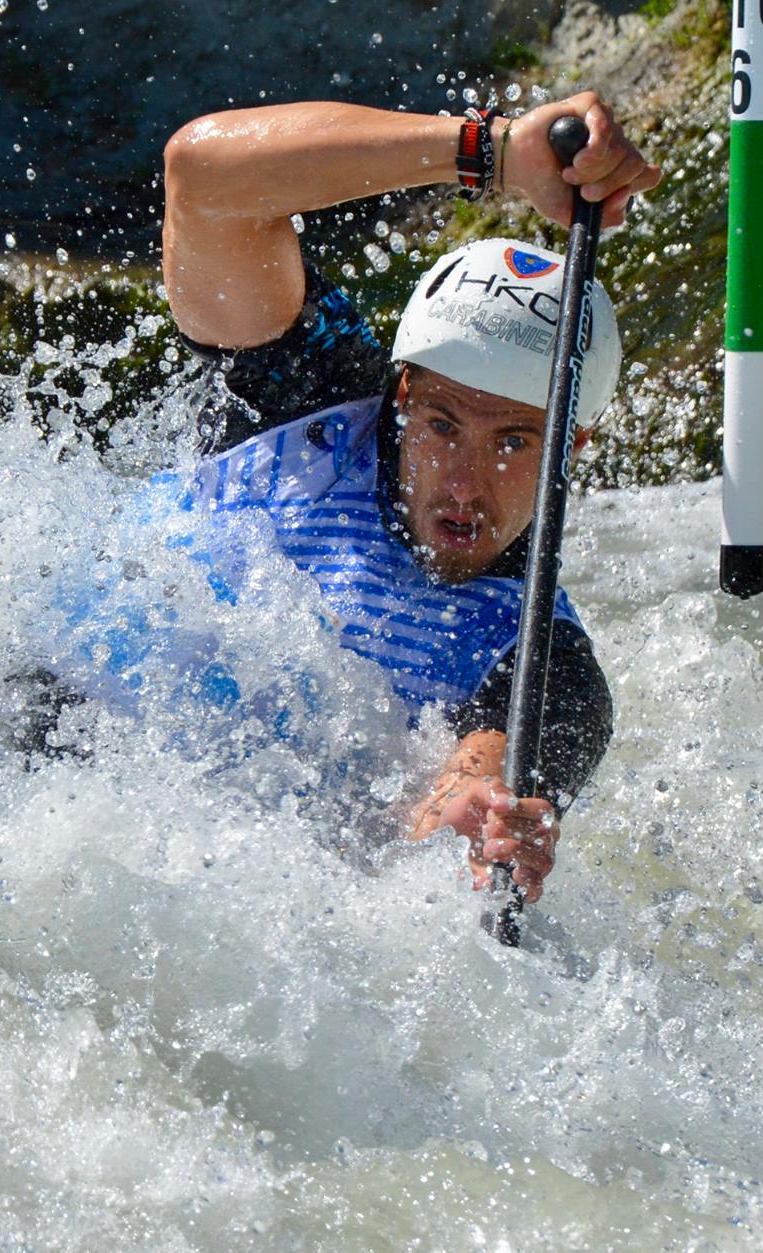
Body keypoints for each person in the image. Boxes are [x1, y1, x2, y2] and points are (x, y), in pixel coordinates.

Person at [158, 91, 663, 905]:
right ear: (401, 394)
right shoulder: (307, 393)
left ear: (571, 450)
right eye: (442, 424)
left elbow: (473, 776)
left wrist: (475, 813)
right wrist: (491, 153)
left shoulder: (544, 660)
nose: (465, 484)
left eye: (512, 443)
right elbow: (201, 177)